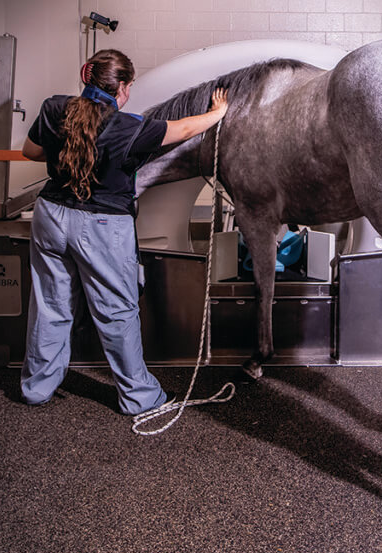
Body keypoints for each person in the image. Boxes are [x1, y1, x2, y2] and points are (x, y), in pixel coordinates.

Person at [19, 49, 228, 414]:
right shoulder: (129, 128)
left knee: (50, 307)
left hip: (50, 215)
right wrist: (217, 113)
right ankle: (138, 397)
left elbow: (31, 152)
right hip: (101, 226)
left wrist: (66, 150)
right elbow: (183, 129)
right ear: (125, 87)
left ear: (88, 77)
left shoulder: (55, 108)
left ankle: (36, 388)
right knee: (116, 312)